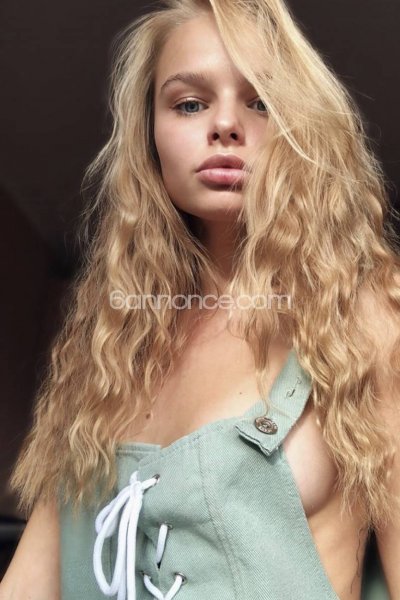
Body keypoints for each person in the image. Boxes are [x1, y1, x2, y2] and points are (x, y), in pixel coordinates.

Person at [1, 0, 400, 598]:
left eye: (262, 101)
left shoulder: (366, 320)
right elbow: (27, 586)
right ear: (149, 137)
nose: (226, 125)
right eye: (190, 103)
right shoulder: (110, 352)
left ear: (304, 127)